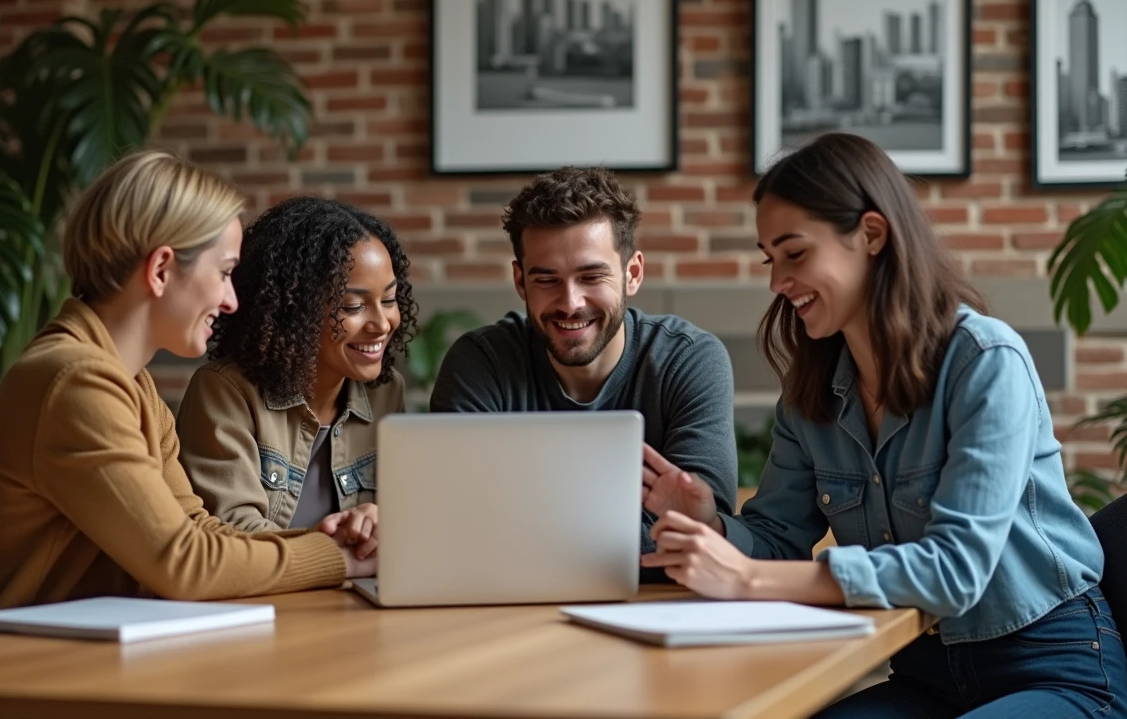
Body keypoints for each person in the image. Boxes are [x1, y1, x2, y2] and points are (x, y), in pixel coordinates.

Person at [640, 133, 1127, 717]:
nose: (776, 283)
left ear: (870, 234)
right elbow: (776, 538)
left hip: (1053, 665)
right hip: (928, 677)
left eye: (795, 254)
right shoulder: (811, 396)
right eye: (771, 260)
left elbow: (954, 570)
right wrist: (710, 524)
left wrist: (746, 581)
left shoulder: (985, 361)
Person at [0, 151, 375, 628]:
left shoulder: (133, 386)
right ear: (161, 269)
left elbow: (197, 531)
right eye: (225, 273)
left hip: (68, 660)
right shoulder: (75, 381)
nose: (231, 301)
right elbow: (183, 564)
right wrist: (338, 559)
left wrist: (325, 542)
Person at [430, 166, 737, 567]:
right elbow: (449, 521)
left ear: (633, 274)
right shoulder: (481, 363)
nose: (570, 302)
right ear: (520, 281)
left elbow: (704, 529)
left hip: (653, 607)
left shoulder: (688, 360)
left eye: (591, 276)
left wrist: (519, 536)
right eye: (547, 280)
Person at [177, 197, 416, 556]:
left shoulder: (385, 393)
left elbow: (409, 517)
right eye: (353, 306)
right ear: (295, 312)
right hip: (264, 602)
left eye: (389, 300)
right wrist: (327, 549)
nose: (382, 324)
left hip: (352, 599)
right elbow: (229, 530)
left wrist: (383, 522)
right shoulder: (226, 392)